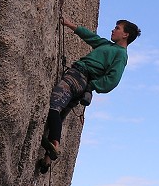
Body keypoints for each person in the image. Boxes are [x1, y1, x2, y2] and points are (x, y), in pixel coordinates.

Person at [37, 17, 141, 173]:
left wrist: (92, 86)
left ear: (125, 35)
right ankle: (46, 161)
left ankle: (55, 145)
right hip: (81, 84)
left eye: (117, 28)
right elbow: (91, 37)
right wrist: (69, 24)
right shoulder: (107, 45)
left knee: (54, 106)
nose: (113, 30)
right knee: (59, 116)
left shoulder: (120, 54)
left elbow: (113, 79)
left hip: (78, 77)